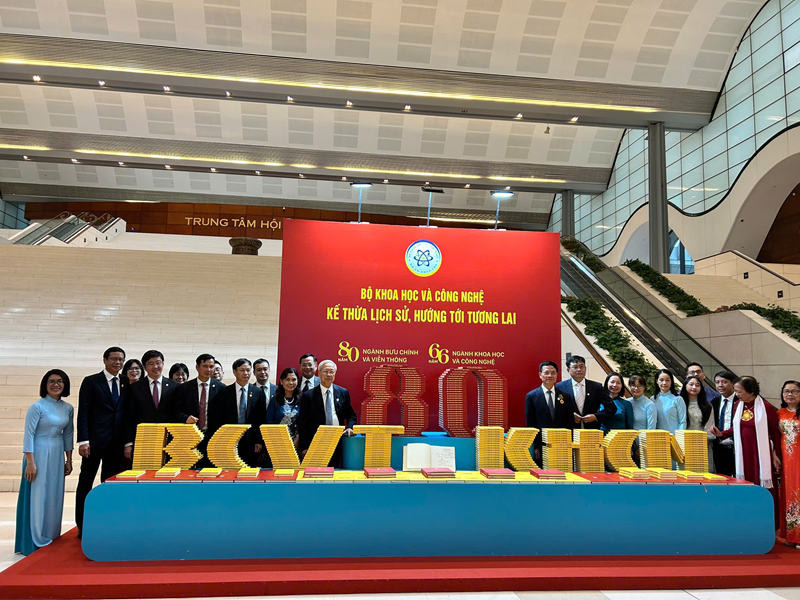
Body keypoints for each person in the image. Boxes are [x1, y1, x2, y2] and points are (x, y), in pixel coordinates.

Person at [15, 370, 74, 555]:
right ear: (45, 385)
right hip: (38, 453)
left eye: (60, 381)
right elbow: (29, 434)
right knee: (38, 494)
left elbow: (69, 434)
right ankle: (34, 536)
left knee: (54, 493)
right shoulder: (37, 406)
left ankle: (50, 533)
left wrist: (69, 459)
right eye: (51, 381)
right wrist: (30, 462)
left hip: (57, 453)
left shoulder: (68, 408)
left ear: (65, 385)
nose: (56, 384)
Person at [712, 376, 782, 531]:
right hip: (743, 456)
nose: (737, 394)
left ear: (751, 391)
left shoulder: (766, 408)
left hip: (761, 456)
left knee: (765, 487)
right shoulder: (738, 405)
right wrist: (722, 434)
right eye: (736, 391)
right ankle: (749, 522)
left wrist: (777, 455)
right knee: (747, 487)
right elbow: (737, 427)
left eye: (739, 391)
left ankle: (770, 524)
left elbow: (775, 434)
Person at [75, 347, 128, 539]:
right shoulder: (91, 381)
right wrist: (83, 440)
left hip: (116, 443)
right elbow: (84, 411)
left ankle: (108, 521)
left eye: (121, 359)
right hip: (94, 442)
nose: (117, 362)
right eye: (113, 359)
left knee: (109, 484)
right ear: (104, 360)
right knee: (86, 482)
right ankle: (82, 524)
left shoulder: (126, 382)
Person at [207, 358, 267, 467]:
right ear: (234, 372)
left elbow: (261, 418)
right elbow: (218, 417)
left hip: (251, 440)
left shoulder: (258, 392)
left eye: (248, 370)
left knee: (249, 470)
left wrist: (259, 440)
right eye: (242, 370)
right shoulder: (224, 392)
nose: (246, 373)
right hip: (229, 439)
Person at [298, 360, 357, 468]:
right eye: (325, 371)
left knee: (334, 470)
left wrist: (350, 427)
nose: (329, 374)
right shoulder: (308, 395)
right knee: (317, 471)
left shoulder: (343, 392)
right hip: (316, 441)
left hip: (337, 439)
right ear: (319, 373)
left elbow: (351, 415)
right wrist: (304, 447)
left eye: (331, 372)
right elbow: (303, 423)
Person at [123, 350, 180, 460]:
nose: (155, 367)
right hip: (143, 438)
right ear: (144, 367)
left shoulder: (174, 386)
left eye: (158, 363)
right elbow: (129, 416)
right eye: (151, 364)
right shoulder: (135, 388)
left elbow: (177, 412)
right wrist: (128, 443)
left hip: (168, 439)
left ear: (163, 364)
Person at [174, 354, 226, 468]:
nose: (208, 369)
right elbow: (176, 411)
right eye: (205, 366)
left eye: (211, 366)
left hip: (213, 437)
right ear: (197, 367)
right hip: (190, 437)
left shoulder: (221, 388)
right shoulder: (185, 388)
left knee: (211, 470)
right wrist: (185, 418)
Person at [525, 361, 574, 463]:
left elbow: (569, 422)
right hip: (541, 444)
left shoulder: (565, 396)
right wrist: (535, 446)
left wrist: (569, 444)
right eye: (546, 372)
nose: (550, 376)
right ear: (540, 374)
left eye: (553, 373)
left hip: (561, 444)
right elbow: (531, 423)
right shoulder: (532, 396)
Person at [555, 355, 615, 430]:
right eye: (575, 367)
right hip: (569, 431)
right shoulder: (560, 387)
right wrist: (570, 415)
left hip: (591, 431)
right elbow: (556, 408)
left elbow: (611, 407)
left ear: (585, 368)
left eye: (581, 366)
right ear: (568, 370)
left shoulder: (597, 387)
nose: (579, 369)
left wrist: (596, 416)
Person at [778, 380, 800, 546]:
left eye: (794, 391)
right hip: (786, 459)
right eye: (786, 391)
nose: (790, 394)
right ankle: (792, 536)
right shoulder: (779, 413)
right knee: (789, 494)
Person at [679, 376, 715, 472]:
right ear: (685, 386)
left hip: (701, 443)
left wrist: (704, 442)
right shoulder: (679, 403)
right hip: (683, 443)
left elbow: (709, 425)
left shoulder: (707, 406)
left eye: (697, 385)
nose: (694, 387)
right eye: (691, 384)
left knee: (701, 471)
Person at [712, 370, 738, 476]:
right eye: (717, 382)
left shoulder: (740, 401)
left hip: (736, 447)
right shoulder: (714, 402)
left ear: (733, 383)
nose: (720, 385)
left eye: (724, 382)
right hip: (719, 448)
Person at [270, 367, 302, 446]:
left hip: (297, 444)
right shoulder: (275, 400)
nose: (291, 383)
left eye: (294, 380)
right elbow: (269, 421)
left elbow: (305, 423)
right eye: (287, 379)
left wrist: (298, 439)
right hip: (277, 443)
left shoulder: (303, 399)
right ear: (281, 381)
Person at [652, 369, 686, 433]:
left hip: (674, 436)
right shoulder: (653, 399)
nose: (664, 383)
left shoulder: (678, 399)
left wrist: (680, 437)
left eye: (667, 380)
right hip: (658, 436)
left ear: (671, 381)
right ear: (657, 381)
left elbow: (682, 421)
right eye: (661, 380)